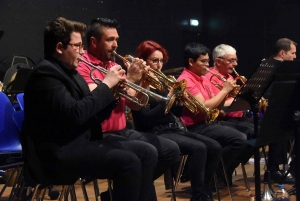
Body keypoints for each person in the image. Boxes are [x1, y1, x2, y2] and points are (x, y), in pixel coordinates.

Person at [22, 17, 158, 201]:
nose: (82, 51)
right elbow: (75, 114)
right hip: (56, 152)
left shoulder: (70, 71)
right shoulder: (45, 74)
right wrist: (106, 85)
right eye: (77, 46)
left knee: (147, 152)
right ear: (60, 47)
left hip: (78, 140)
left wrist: (115, 94)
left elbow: (91, 113)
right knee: (128, 162)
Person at [76, 18, 180, 187]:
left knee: (170, 151)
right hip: (99, 134)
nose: (116, 44)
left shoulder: (112, 64)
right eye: (110, 40)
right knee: (147, 153)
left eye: (117, 39)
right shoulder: (83, 65)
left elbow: (134, 104)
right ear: (94, 42)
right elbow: (96, 99)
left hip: (122, 130)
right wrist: (131, 78)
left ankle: (127, 192)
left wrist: (144, 81)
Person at [132, 40, 222, 201]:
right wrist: (169, 98)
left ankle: (206, 191)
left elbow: (177, 113)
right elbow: (147, 119)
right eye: (154, 60)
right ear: (143, 61)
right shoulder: (139, 85)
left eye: (161, 61)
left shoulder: (163, 83)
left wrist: (179, 101)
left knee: (214, 147)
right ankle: (199, 196)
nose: (159, 65)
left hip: (173, 129)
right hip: (153, 131)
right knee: (199, 148)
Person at [177, 42, 248, 186]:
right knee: (239, 139)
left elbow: (214, 102)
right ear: (191, 62)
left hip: (209, 122)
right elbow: (204, 106)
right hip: (195, 126)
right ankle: (216, 173)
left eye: (208, 61)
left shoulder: (203, 77)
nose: (207, 65)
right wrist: (225, 91)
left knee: (246, 135)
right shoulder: (186, 80)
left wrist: (234, 94)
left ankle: (217, 173)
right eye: (203, 62)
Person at [264, 38, 297, 183]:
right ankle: (274, 169)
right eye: (293, 53)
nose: (295, 57)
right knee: (281, 124)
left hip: (280, 110)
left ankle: (292, 167)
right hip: (268, 112)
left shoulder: (282, 68)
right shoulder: (270, 67)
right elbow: (267, 94)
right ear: (283, 53)